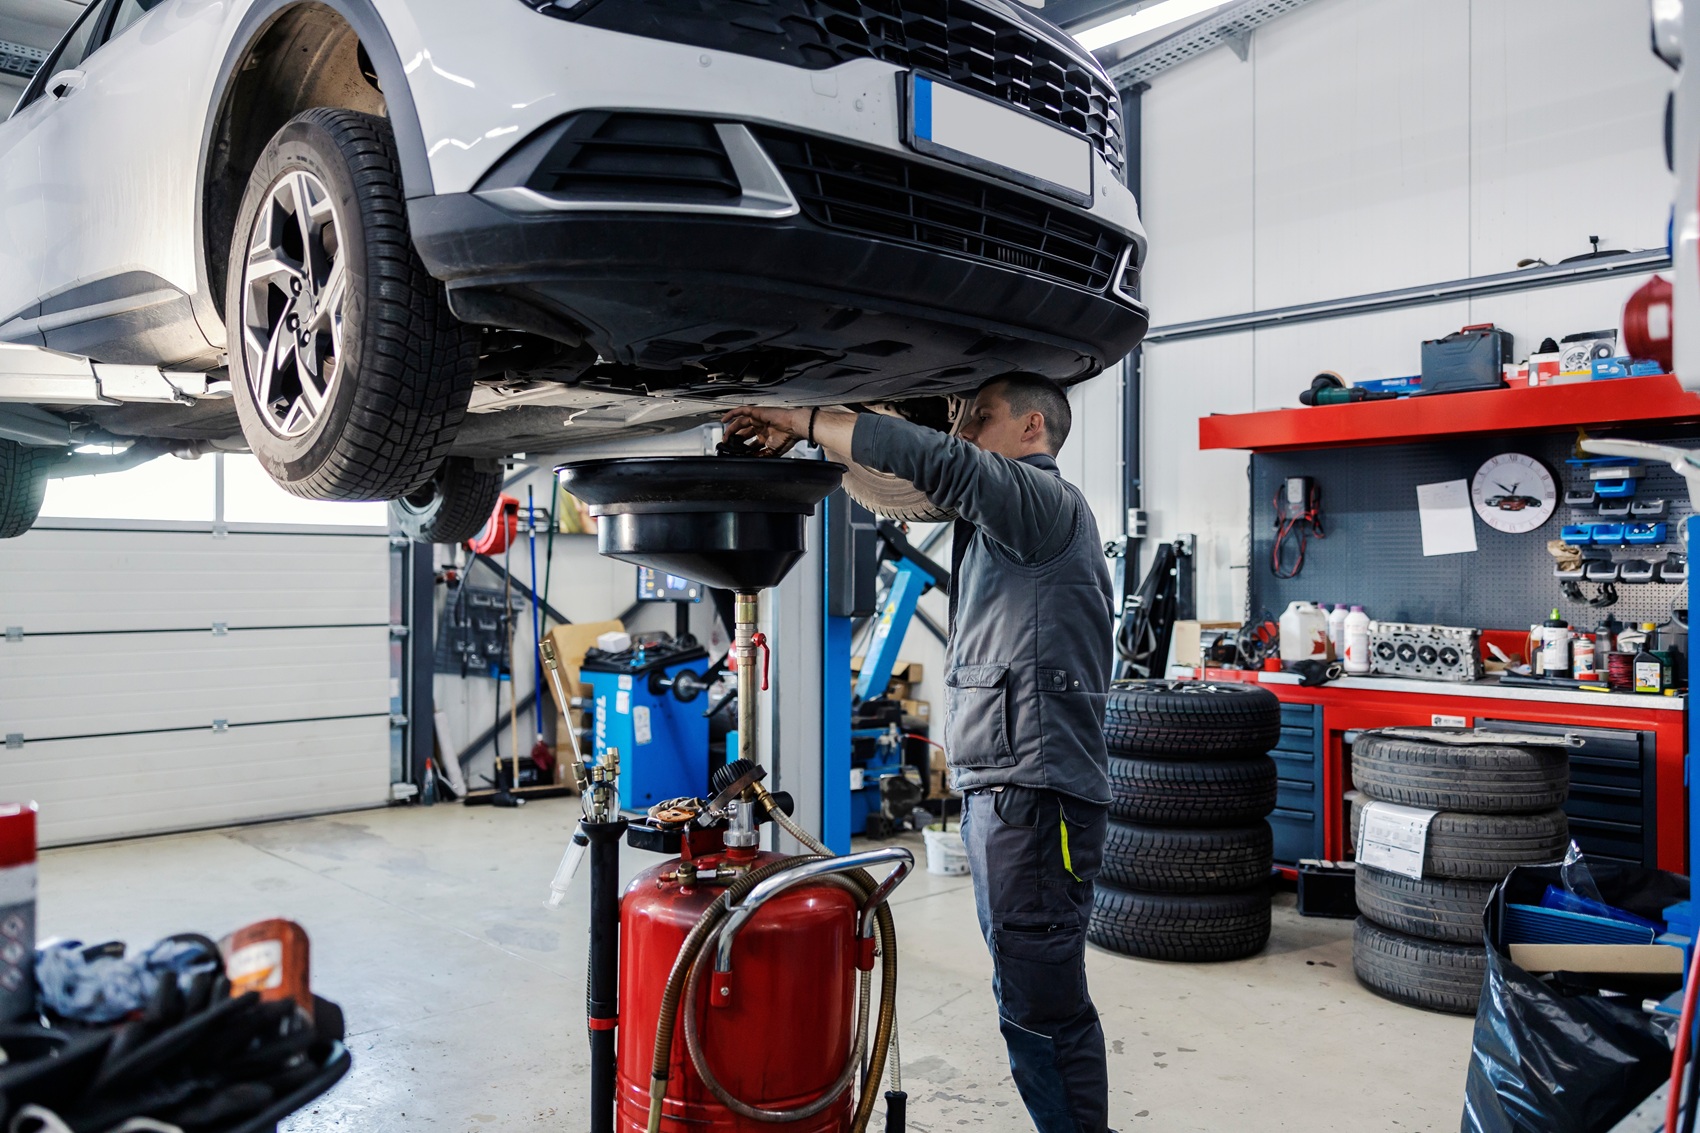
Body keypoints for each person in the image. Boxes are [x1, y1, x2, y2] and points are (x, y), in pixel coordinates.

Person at [723, 374, 1115, 1133]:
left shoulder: (1044, 503)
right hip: (1013, 794)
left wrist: (804, 417)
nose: (964, 431)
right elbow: (929, 472)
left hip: (1032, 800)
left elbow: (941, 462)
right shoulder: (1010, 526)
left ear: (1033, 426)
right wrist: (828, 450)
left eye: (980, 417)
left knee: (1042, 1010)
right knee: (1030, 998)